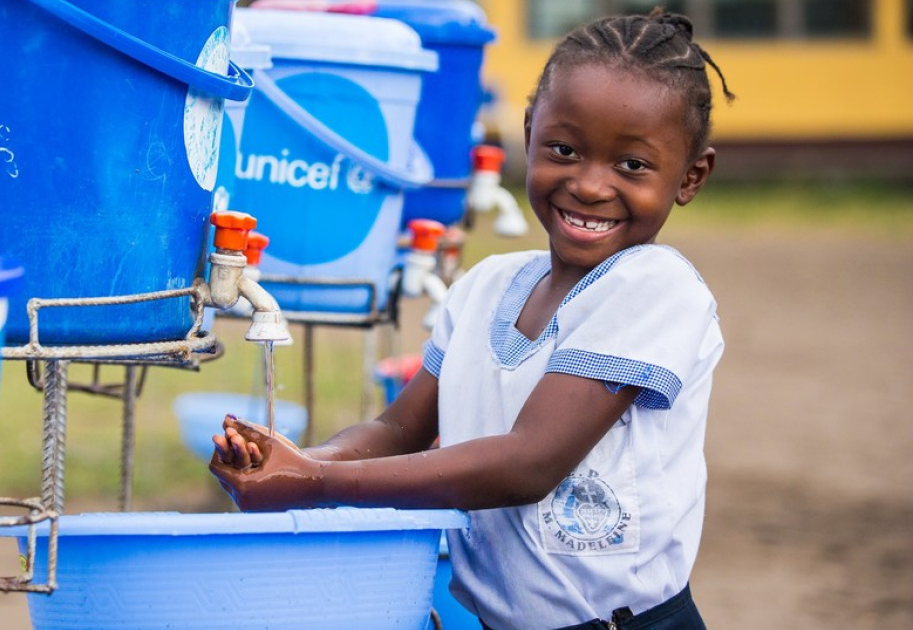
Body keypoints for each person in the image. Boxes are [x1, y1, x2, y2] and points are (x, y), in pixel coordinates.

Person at [210, 8, 734, 630]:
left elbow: (528, 464)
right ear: (528, 131)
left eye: (632, 166)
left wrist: (317, 482)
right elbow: (395, 432)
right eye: (563, 150)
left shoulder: (654, 287)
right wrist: (296, 459)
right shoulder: (486, 286)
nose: (591, 186)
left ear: (690, 176)